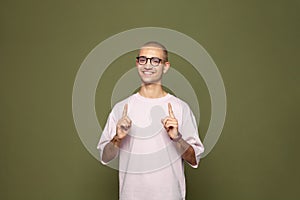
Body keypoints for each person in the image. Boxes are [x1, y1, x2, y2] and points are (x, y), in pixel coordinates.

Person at [97, 41, 204, 200]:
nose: (148, 65)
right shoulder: (122, 109)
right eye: (143, 59)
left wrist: (177, 138)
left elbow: (193, 158)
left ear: (165, 66)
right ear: (137, 63)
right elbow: (105, 156)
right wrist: (117, 138)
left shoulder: (180, 108)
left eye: (155, 60)